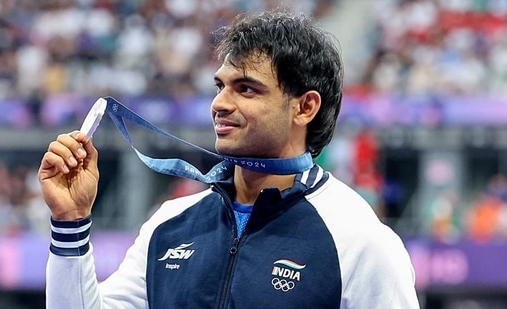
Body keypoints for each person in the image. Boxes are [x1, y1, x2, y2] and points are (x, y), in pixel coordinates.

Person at [38, 10, 419, 309]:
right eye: (220, 86)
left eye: (246, 89)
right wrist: (70, 223)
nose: (220, 103)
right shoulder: (168, 226)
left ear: (305, 107)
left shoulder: (359, 241)